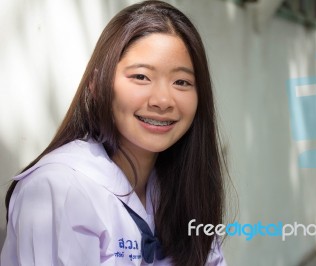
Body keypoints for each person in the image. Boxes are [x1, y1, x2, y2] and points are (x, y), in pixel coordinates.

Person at [1, 1, 228, 265]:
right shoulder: (62, 188)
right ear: (97, 86)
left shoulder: (184, 188)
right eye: (141, 77)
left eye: (182, 82)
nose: (163, 100)